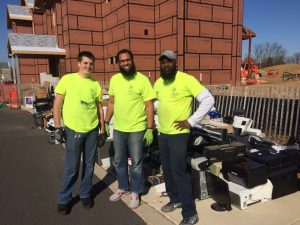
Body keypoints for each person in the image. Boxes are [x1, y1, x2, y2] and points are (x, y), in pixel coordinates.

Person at [154, 50, 215, 225]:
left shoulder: (186, 79)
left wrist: (191, 121)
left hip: (179, 134)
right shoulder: (158, 82)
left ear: (176, 63)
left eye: (169, 62)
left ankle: (190, 212)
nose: (165, 65)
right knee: (167, 168)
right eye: (163, 62)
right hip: (163, 133)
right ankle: (175, 199)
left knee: (179, 171)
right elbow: (156, 101)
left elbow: (208, 100)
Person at [53, 51, 106, 215]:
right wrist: (57, 127)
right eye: (85, 63)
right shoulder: (67, 80)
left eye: (91, 64)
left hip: (91, 130)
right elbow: (57, 105)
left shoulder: (95, 84)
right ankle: (64, 199)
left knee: (89, 165)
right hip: (73, 129)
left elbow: (99, 108)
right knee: (72, 167)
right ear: (78, 63)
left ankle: (85, 194)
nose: (88, 66)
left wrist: (102, 130)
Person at [104, 49, 155, 209]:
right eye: (122, 61)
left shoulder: (142, 80)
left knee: (136, 163)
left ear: (132, 60)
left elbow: (149, 105)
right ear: (118, 63)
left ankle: (136, 191)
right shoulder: (115, 79)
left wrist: (149, 128)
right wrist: (106, 122)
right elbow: (111, 103)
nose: (125, 63)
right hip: (119, 128)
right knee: (119, 161)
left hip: (137, 128)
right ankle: (122, 187)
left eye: (127, 60)